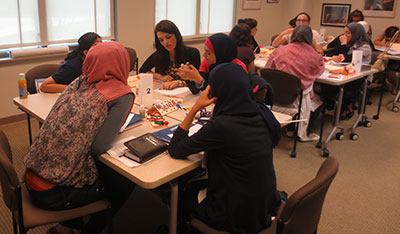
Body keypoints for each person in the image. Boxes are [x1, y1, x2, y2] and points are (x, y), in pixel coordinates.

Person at [24, 41, 135, 234]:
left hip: (31, 176)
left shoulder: (80, 81)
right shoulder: (122, 94)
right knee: (125, 180)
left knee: (82, 161)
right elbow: (98, 148)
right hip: (54, 193)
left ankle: (66, 227)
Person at [168, 62, 282, 234]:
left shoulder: (222, 125)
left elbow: (175, 149)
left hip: (235, 213)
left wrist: (196, 108)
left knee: (181, 194)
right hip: (265, 201)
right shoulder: (261, 112)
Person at [266, 24, 325, 142]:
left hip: (276, 95)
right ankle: (305, 132)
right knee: (319, 101)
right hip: (298, 97)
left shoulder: (279, 51)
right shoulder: (314, 56)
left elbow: (268, 70)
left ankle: (290, 128)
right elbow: (319, 73)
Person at [139, 20, 201, 94]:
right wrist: (160, 77)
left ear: (176, 35)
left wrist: (178, 83)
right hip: (163, 93)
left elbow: (197, 81)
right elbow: (142, 70)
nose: (165, 42)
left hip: (187, 94)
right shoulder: (159, 54)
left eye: (168, 37)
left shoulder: (192, 53)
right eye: (161, 40)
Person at [176, 33, 247, 92]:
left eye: (209, 53)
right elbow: (196, 90)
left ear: (220, 53)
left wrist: (199, 80)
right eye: (205, 51)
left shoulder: (238, 68)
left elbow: (222, 95)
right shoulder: (207, 63)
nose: (204, 55)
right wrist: (190, 77)